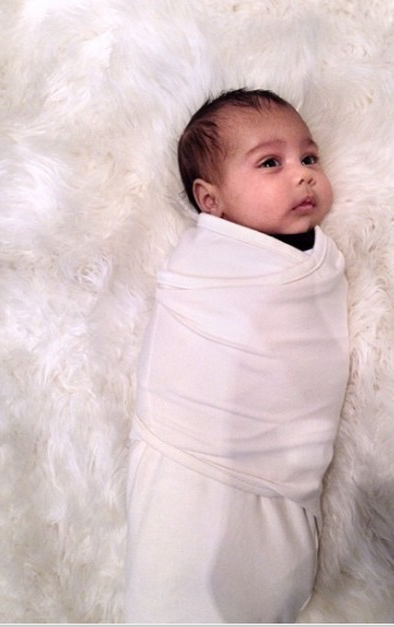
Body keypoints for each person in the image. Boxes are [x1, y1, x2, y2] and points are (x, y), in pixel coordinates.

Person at [125, 88, 349, 623]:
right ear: (210, 201)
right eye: (271, 163)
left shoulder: (315, 260)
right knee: (178, 561)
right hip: (190, 455)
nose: (303, 175)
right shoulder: (202, 270)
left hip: (280, 466)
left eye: (310, 158)